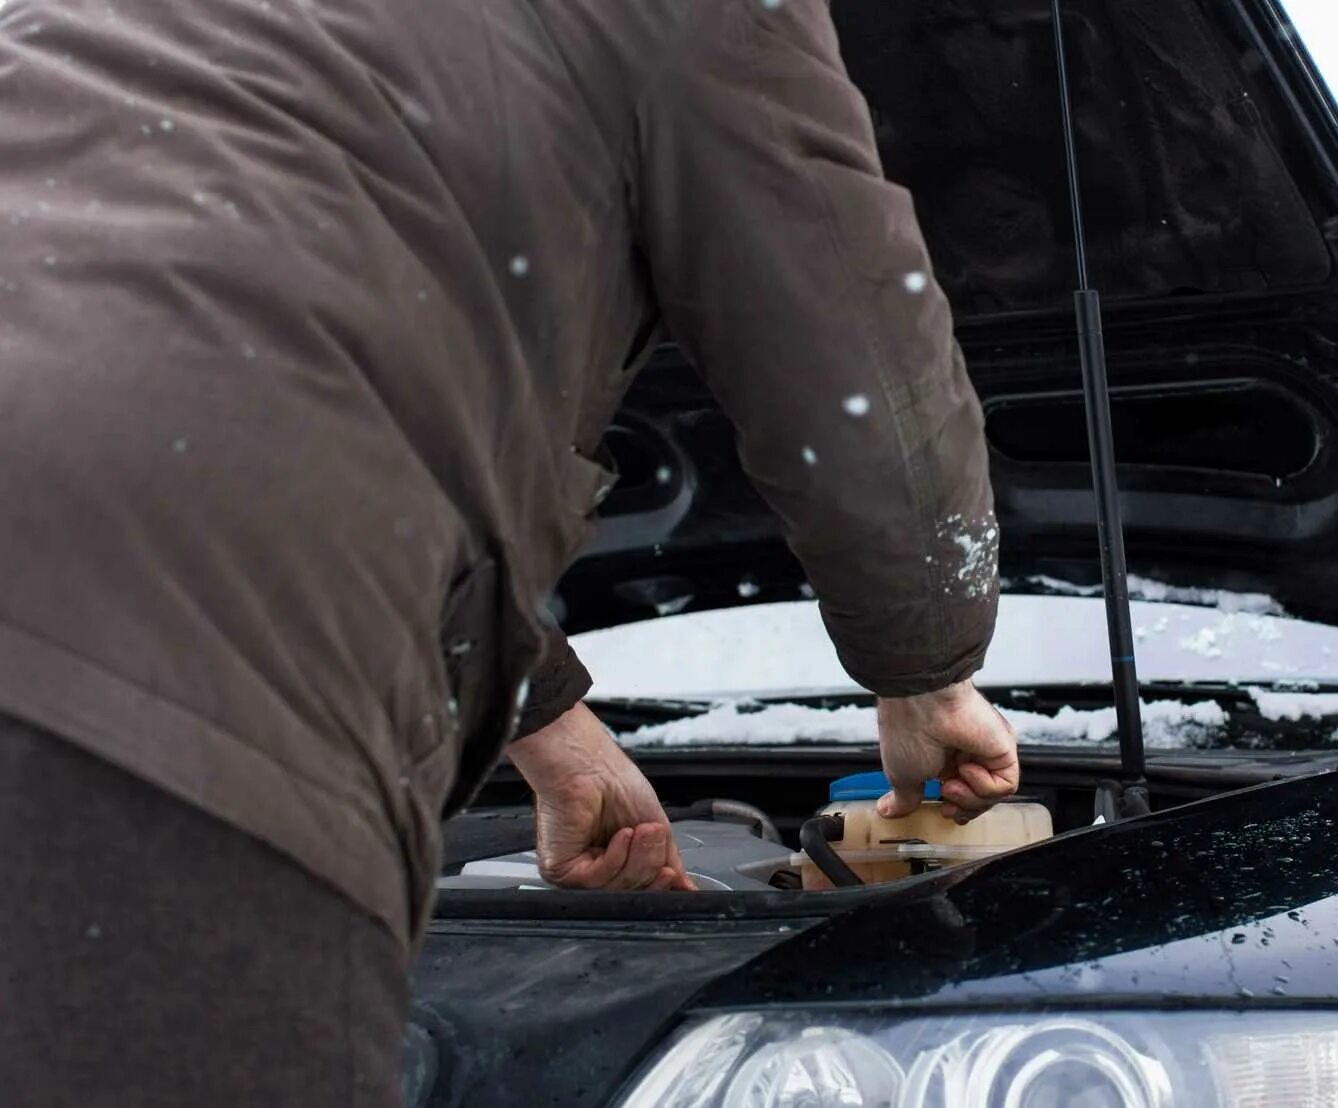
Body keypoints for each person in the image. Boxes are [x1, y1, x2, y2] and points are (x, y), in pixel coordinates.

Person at [0, 0, 1018, 1102]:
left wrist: (548, 727)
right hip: (152, 676)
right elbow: (853, 356)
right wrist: (926, 668)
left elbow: (267, 345)